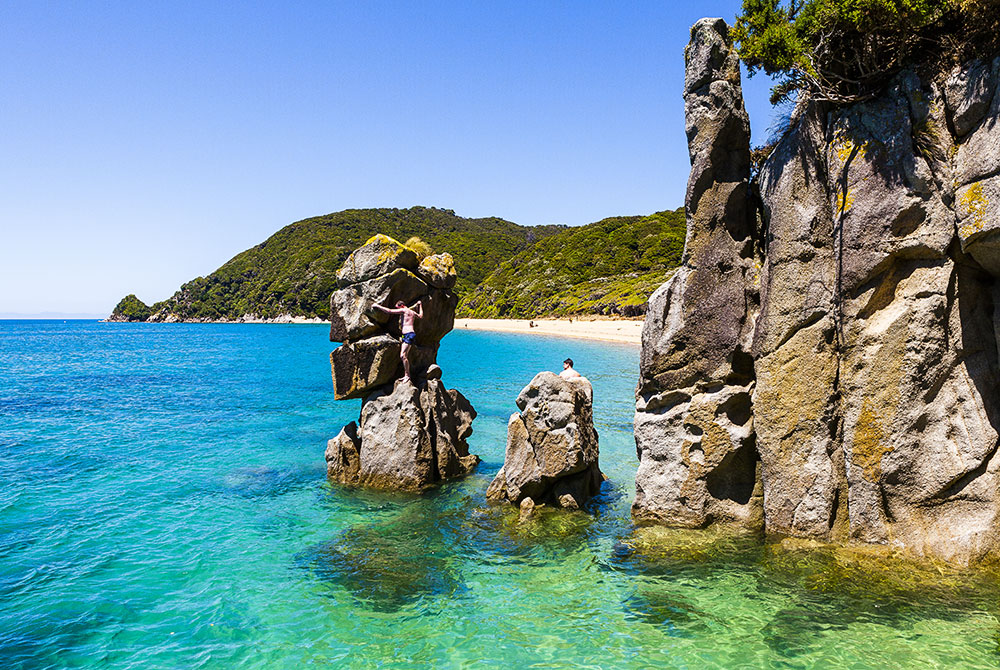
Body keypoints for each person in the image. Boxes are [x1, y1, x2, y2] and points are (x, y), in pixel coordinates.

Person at [374, 299, 423, 382]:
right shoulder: (412, 312)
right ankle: (406, 375)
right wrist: (420, 305)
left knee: (403, 355)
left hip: (408, 334)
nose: (398, 310)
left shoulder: (404, 310)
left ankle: (407, 375)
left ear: (402, 306)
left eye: (398, 308)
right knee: (404, 356)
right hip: (408, 335)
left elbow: (389, 311)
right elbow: (420, 316)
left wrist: (377, 306)